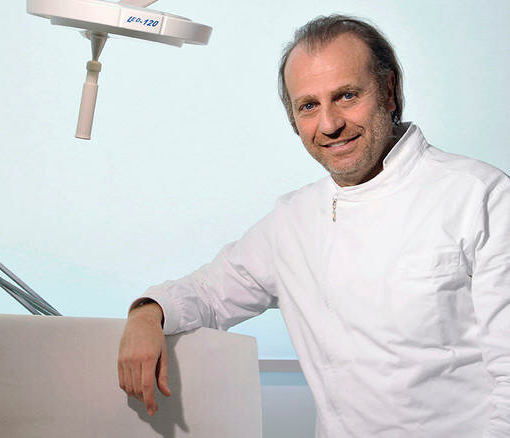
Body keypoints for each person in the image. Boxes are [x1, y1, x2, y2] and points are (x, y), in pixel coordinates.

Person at [118, 15, 510, 437]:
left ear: (389, 90)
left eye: (347, 96)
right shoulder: (293, 220)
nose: (329, 124)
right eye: (308, 106)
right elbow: (208, 294)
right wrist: (147, 313)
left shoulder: (480, 196)